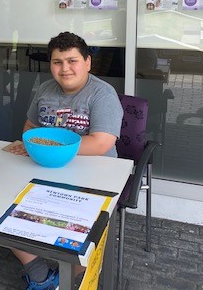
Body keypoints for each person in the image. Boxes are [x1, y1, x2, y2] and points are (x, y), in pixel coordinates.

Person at [11, 31, 123, 290]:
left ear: (87, 62)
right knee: (6, 213)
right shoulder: (45, 89)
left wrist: (51, 148)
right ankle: (40, 275)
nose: (65, 69)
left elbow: (102, 143)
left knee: (82, 240)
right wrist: (31, 144)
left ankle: (68, 279)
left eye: (72, 61)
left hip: (93, 176)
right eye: (57, 62)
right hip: (45, 170)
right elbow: (30, 127)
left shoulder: (102, 95)